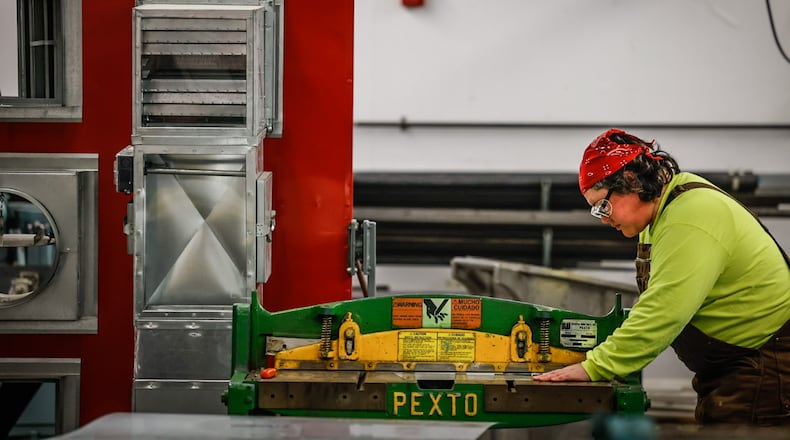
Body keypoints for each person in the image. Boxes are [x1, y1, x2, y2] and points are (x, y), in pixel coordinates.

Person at [533, 128, 790, 425]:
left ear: (630, 181)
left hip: (766, 369)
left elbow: (664, 308)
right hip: (734, 369)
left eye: (603, 204)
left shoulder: (691, 215)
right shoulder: (660, 216)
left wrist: (595, 367)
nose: (603, 218)